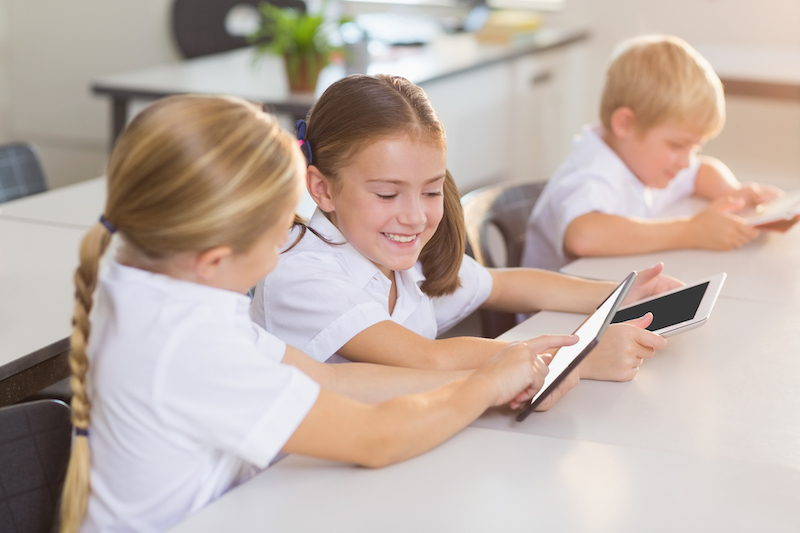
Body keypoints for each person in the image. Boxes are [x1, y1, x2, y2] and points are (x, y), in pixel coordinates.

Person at [58, 95, 580, 533]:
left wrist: (496, 372)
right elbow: (375, 437)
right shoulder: (187, 341)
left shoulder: (162, 293)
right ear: (216, 259)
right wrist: (484, 387)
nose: (294, 237)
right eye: (282, 227)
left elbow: (327, 379)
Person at [251, 74, 681, 380]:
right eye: (387, 194)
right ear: (322, 191)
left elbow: (500, 284)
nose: (416, 216)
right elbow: (427, 359)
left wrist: (619, 294)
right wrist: (575, 356)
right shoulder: (300, 272)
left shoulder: (396, 250)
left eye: (432, 191)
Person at [521, 34, 785, 272]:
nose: (685, 161)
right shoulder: (592, 172)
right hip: (554, 321)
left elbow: (702, 171)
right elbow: (584, 236)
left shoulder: (642, 159)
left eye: (695, 146)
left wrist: (734, 195)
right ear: (624, 124)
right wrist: (691, 231)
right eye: (677, 145)